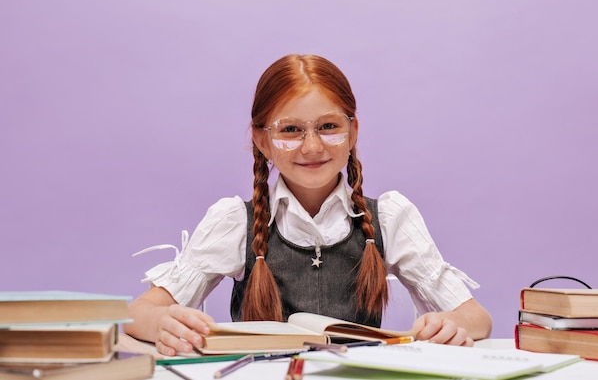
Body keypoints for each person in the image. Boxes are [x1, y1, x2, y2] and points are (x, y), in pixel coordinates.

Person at [123, 54, 492, 356]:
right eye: (290, 130)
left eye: (328, 126)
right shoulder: (236, 222)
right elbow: (138, 312)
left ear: (353, 132)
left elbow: (476, 317)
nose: (312, 147)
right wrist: (161, 323)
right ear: (262, 141)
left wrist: (452, 325)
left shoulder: (389, 219)